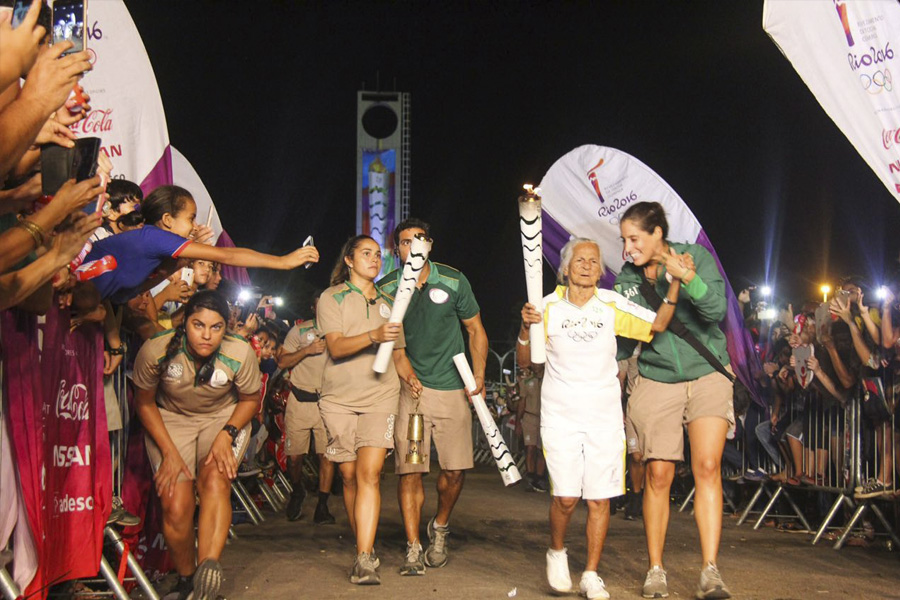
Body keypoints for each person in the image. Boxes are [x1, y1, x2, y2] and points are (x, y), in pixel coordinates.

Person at [519, 237, 679, 599]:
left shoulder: (611, 304)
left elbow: (657, 326)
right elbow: (527, 361)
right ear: (565, 267)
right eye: (581, 259)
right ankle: (556, 550)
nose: (589, 265)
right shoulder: (545, 307)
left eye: (595, 261)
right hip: (560, 414)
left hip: (604, 416)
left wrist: (675, 284)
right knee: (565, 497)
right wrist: (523, 328)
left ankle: (591, 573)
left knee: (599, 499)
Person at [614, 201, 734, 599]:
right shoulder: (626, 280)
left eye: (634, 238)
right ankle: (656, 570)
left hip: (706, 372)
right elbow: (625, 339)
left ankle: (710, 572)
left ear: (657, 234)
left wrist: (688, 277)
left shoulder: (695, 256)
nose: (628, 247)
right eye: (624, 240)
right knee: (659, 474)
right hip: (657, 377)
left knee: (707, 465)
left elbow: (715, 310)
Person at [132, 290, 261, 600]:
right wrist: (170, 453)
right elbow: (145, 404)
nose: (206, 335)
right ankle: (187, 579)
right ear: (184, 323)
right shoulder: (157, 350)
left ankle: (208, 573)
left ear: (226, 327)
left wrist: (226, 434)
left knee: (215, 479)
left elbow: (251, 400)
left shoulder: (240, 351)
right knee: (175, 502)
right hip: (171, 419)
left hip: (222, 417)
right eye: (197, 325)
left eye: (216, 327)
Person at [377, 218, 488, 576]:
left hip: (453, 388)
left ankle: (439, 526)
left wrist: (480, 374)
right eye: (406, 242)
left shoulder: (454, 280)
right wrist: (405, 371)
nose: (413, 246)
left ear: (431, 245)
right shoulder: (387, 288)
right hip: (412, 393)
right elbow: (391, 341)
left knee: (454, 472)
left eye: (420, 240)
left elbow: (475, 330)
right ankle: (413, 546)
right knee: (411, 471)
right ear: (397, 249)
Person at [317, 235, 420, 585]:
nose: (374, 260)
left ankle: (364, 556)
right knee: (348, 475)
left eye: (378, 255)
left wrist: (409, 377)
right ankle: (365, 543)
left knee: (370, 473)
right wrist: (373, 336)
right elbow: (336, 346)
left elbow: (398, 353)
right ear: (348, 260)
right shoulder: (332, 298)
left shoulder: (393, 301)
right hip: (339, 398)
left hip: (381, 395)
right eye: (366, 254)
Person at [82, 185, 318, 304]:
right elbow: (226, 256)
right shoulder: (154, 236)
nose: (194, 226)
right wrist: (283, 261)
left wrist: (179, 262)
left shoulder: (155, 245)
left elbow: (131, 292)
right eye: (190, 218)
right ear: (167, 220)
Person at [277, 294, 336, 524]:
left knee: (326, 456)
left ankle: (322, 505)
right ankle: (297, 489)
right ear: (313, 306)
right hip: (299, 402)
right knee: (294, 458)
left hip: (326, 403)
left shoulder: (338, 332)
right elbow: (282, 362)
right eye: (319, 303)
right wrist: (307, 350)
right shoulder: (299, 331)